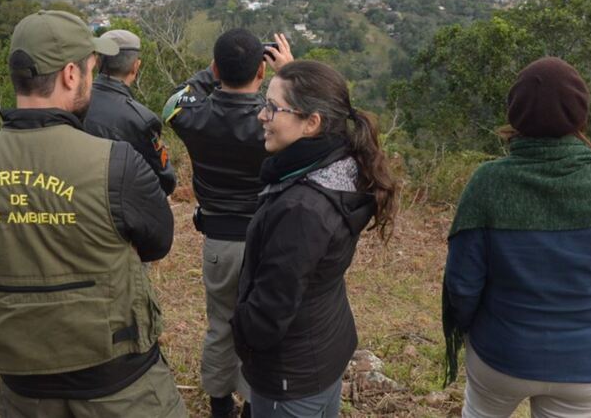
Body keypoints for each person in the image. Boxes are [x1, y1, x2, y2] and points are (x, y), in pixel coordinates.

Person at [0, 10, 186, 418]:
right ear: (71, 75)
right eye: (92, 68)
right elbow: (157, 244)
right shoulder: (116, 163)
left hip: (21, 385)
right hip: (117, 382)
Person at [442, 57, 591, 418]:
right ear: (581, 113)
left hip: (500, 354)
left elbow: (462, 284)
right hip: (589, 364)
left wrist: (474, 333)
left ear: (515, 114)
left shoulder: (488, 184)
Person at [230, 60, 400, 418]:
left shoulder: (301, 208)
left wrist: (241, 328)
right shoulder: (341, 166)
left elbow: (270, 310)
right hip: (324, 344)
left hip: (290, 372)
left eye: (273, 108)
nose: (262, 115)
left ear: (312, 123)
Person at [163, 29, 293, 418]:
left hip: (218, 240)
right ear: (261, 71)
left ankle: (220, 403)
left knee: (221, 323)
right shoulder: (273, 124)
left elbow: (173, 100)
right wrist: (290, 73)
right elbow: (319, 117)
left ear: (217, 69)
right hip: (265, 241)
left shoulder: (191, 115)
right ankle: (255, 403)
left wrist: (211, 72)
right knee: (263, 328)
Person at [84, 28, 176, 197]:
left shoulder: (73, 102)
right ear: (136, 66)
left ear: (97, 63)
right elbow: (165, 181)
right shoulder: (141, 119)